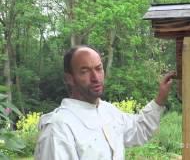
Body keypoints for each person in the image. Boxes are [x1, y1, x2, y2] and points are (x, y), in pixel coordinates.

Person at [35, 45, 176, 160]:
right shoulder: (58, 127)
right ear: (69, 78)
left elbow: (139, 129)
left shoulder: (107, 111)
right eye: (85, 71)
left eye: (98, 68)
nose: (96, 77)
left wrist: (160, 99)